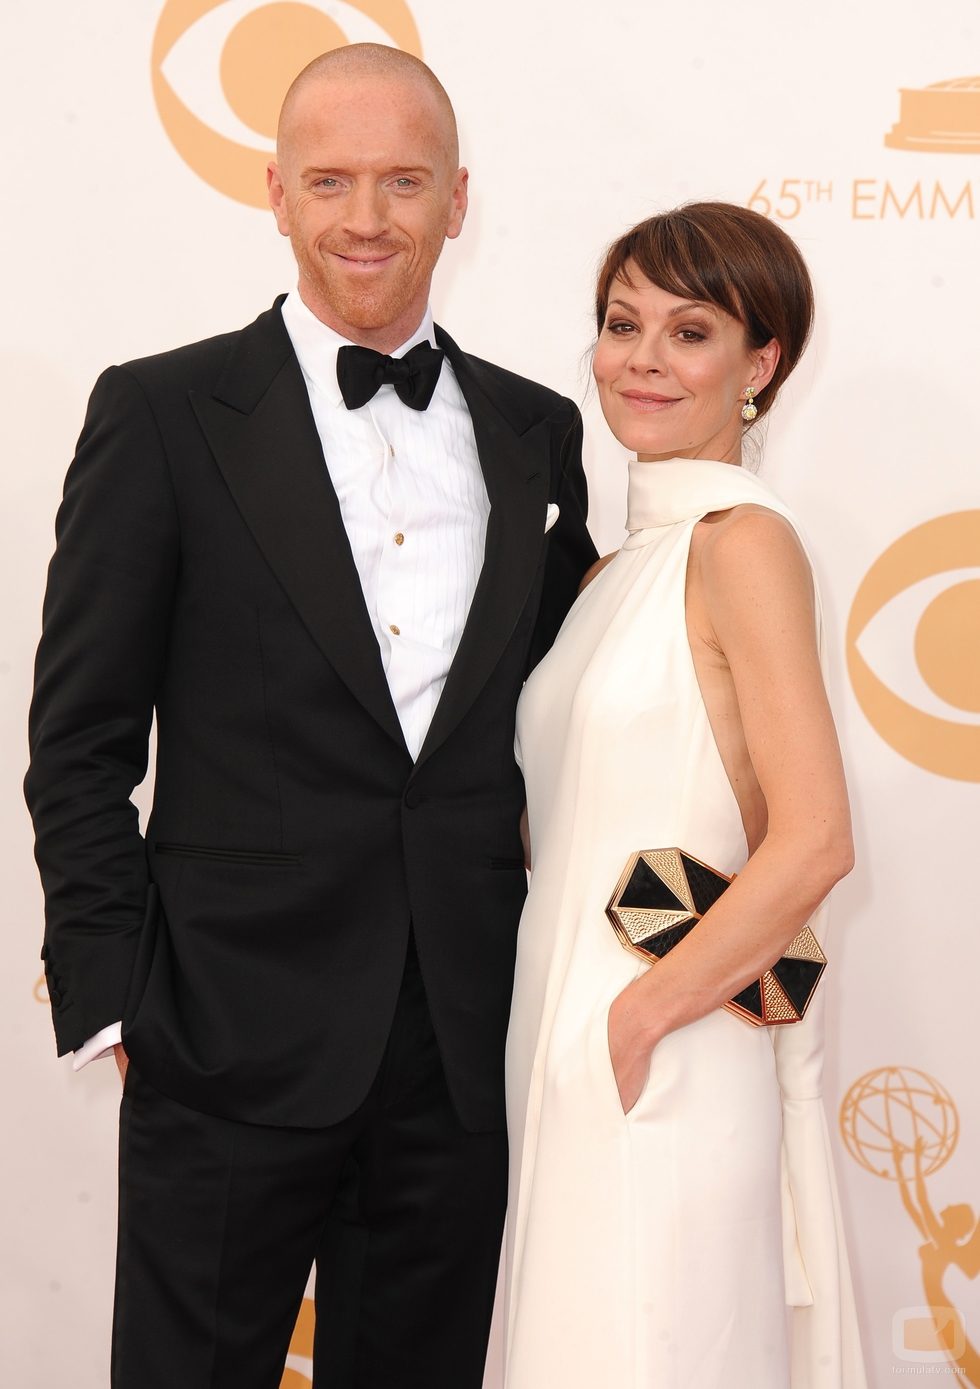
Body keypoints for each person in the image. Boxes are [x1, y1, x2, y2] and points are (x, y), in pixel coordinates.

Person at [24, 43, 595, 1389]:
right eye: (330, 181)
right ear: (274, 193)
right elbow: (81, 738)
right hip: (223, 1035)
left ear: (460, 200)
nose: (366, 218)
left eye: (405, 181)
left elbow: (575, 716)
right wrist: (117, 1002)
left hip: (462, 1046)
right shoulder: (162, 413)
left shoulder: (538, 432)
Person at [503, 202, 867, 1386]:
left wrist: (639, 1017)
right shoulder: (618, 567)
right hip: (569, 1044)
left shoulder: (740, 542)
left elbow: (812, 840)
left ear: (760, 366)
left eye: (690, 330)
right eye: (621, 324)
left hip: (663, 1054)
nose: (643, 358)